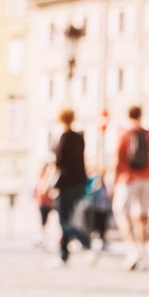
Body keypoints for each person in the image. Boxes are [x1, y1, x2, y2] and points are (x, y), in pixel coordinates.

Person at [112, 105, 149, 270]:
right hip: (146, 179)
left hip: (127, 179)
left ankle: (132, 250)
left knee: (121, 213)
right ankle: (143, 253)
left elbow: (117, 160)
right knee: (141, 217)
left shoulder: (125, 134)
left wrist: (114, 182)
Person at [52, 108, 94, 265]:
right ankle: (63, 255)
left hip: (66, 182)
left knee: (63, 220)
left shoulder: (64, 137)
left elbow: (59, 163)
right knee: (68, 217)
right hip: (79, 182)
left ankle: (86, 242)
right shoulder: (79, 137)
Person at [32, 158, 56, 248]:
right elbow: (39, 190)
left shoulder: (47, 177)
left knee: (45, 222)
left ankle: (42, 238)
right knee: (43, 222)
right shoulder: (43, 177)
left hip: (46, 202)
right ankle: (41, 237)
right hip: (43, 202)